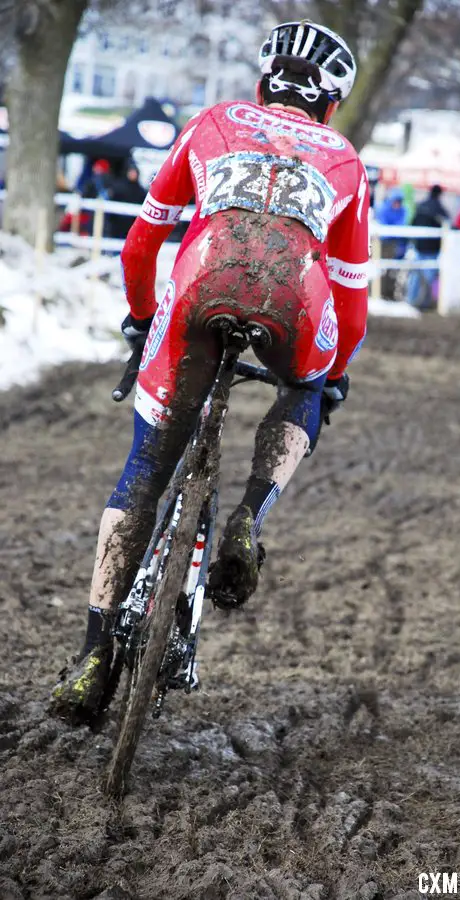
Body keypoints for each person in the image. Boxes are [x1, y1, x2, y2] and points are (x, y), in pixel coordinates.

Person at [49, 21, 369, 721]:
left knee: (143, 471)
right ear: (331, 104)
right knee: (308, 385)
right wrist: (333, 375)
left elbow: (140, 245)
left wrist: (141, 320)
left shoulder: (213, 122)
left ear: (262, 83)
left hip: (203, 278)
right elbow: (350, 295)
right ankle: (250, 519)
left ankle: (93, 657)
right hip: (295, 294)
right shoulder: (344, 156)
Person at [406, 184, 449, 308]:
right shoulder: (439, 208)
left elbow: (412, 223)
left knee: (415, 276)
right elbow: (448, 224)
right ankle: (423, 303)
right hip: (432, 249)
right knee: (428, 277)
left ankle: (411, 300)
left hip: (418, 246)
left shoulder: (420, 206)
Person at [374, 187, 407, 299]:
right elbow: (384, 228)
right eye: (396, 201)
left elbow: (401, 226)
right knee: (381, 268)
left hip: (395, 244)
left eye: (399, 201)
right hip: (381, 243)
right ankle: (379, 292)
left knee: (393, 269)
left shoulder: (402, 210)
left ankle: (389, 292)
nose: (397, 204)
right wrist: (392, 232)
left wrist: (393, 232)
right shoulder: (383, 209)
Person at [111, 162, 147, 240]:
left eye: (134, 172)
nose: (133, 174)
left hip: (132, 223)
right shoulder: (119, 187)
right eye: (131, 172)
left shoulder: (140, 190)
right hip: (118, 223)